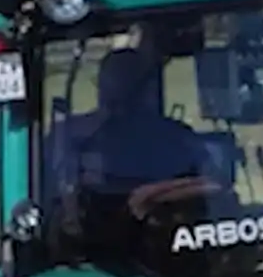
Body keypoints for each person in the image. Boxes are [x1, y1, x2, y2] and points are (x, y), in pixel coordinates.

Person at [50, 42, 216, 215]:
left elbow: (211, 183)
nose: (118, 104)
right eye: (112, 90)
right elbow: (55, 194)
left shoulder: (176, 138)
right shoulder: (70, 136)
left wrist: (154, 195)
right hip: (94, 231)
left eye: (124, 91)